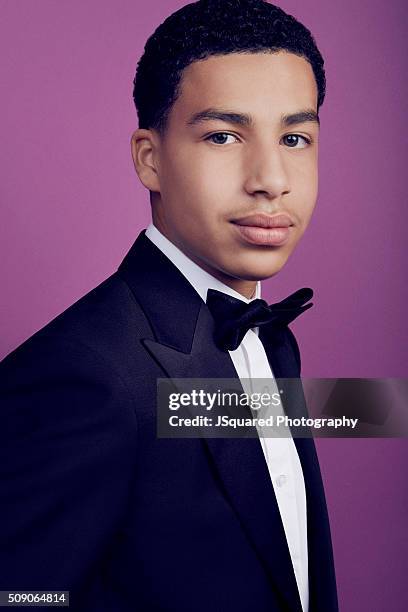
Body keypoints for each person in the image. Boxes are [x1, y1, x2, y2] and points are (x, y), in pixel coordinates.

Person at [0, 1, 338, 610]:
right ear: (149, 159)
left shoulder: (269, 336)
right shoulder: (82, 373)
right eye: (223, 136)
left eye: (294, 137)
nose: (270, 178)